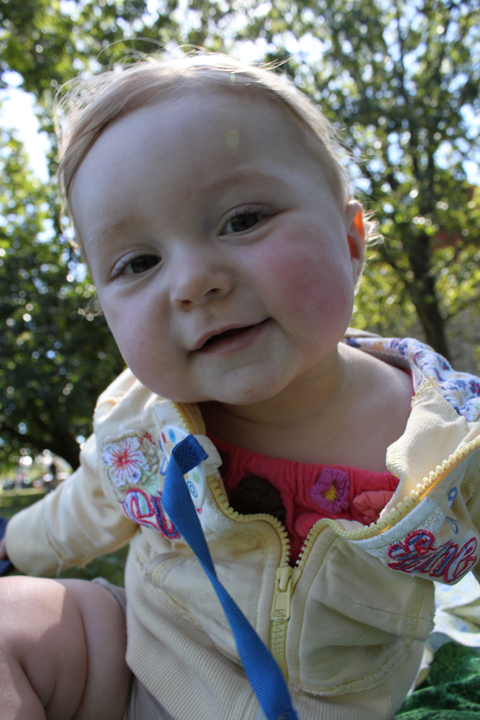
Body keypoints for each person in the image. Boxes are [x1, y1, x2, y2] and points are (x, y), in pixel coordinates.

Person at [1, 53, 480, 720]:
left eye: (243, 220)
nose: (193, 281)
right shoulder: (144, 425)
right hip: (139, 673)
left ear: (349, 243)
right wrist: (10, 544)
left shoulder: (452, 441)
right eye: (138, 261)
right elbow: (81, 508)